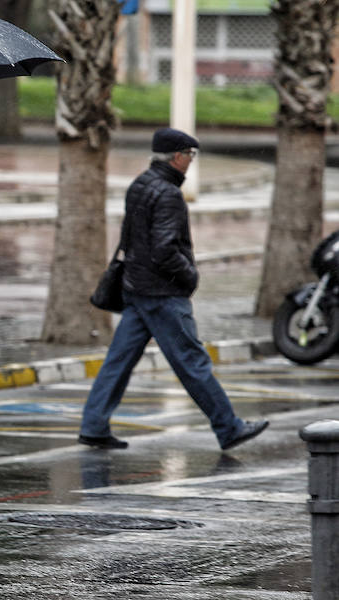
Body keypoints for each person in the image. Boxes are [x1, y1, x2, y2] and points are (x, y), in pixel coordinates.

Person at [78, 127, 269, 452]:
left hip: (136, 289)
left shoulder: (140, 184)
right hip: (162, 293)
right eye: (189, 156)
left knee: (119, 360)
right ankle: (229, 427)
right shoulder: (168, 193)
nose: (191, 162)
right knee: (192, 361)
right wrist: (189, 276)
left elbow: (130, 238)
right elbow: (164, 249)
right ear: (177, 157)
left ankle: (94, 425)